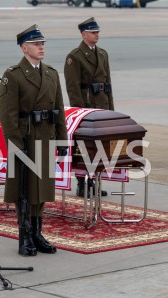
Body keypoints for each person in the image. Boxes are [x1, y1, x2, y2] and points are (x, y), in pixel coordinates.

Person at [0, 25, 67, 256]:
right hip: (25, 139)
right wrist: (16, 146)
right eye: (37, 44)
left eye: (43, 44)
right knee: (24, 190)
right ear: (24, 47)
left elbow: (58, 109)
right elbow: (7, 116)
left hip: (45, 137)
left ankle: (38, 233)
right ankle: (25, 235)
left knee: (42, 188)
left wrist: (62, 140)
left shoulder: (51, 73)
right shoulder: (13, 75)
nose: (41, 47)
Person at [64, 17, 112, 198]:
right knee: (84, 146)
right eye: (93, 32)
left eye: (97, 32)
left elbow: (108, 84)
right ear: (84, 35)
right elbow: (73, 88)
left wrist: (111, 109)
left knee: (99, 146)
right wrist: (79, 112)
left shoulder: (103, 54)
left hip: (101, 105)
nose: (96, 35)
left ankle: (96, 181)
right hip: (86, 106)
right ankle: (82, 183)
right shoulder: (74, 57)